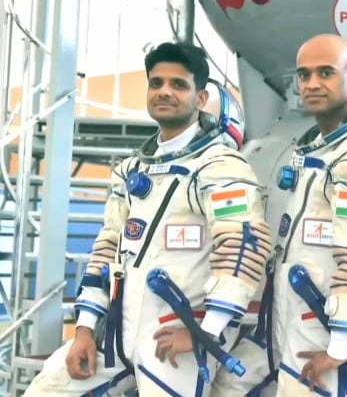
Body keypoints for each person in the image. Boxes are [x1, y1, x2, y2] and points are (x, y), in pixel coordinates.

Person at [23, 42, 273, 396]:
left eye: (178, 84)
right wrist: (84, 329)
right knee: (46, 389)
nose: (164, 92)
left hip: (177, 333)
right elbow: (106, 249)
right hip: (115, 332)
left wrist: (206, 331)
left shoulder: (221, 168)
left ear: (201, 99)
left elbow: (242, 252)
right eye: (156, 83)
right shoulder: (130, 171)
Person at [210, 33, 347, 397]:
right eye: (304, 74)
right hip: (286, 318)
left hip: (325, 328)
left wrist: (340, 346)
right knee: (226, 385)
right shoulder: (319, 149)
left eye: (326, 73)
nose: (312, 84)